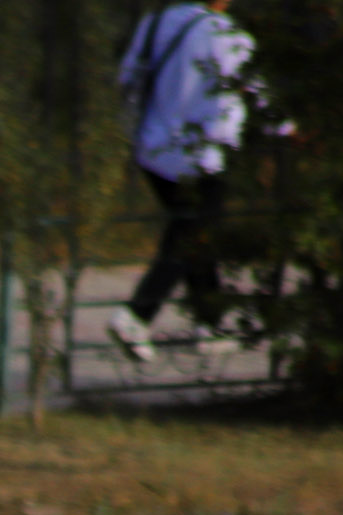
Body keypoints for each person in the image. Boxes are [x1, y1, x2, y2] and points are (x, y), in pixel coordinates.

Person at [110, 0, 280, 362]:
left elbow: (127, 77)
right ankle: (136, 316)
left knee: (194, 232)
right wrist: (290, 130)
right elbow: (258, 92)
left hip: (152, 151)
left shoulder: (154, 23)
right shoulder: (228, 35)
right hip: (202, 157)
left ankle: (211, 323)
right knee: (192, 236)